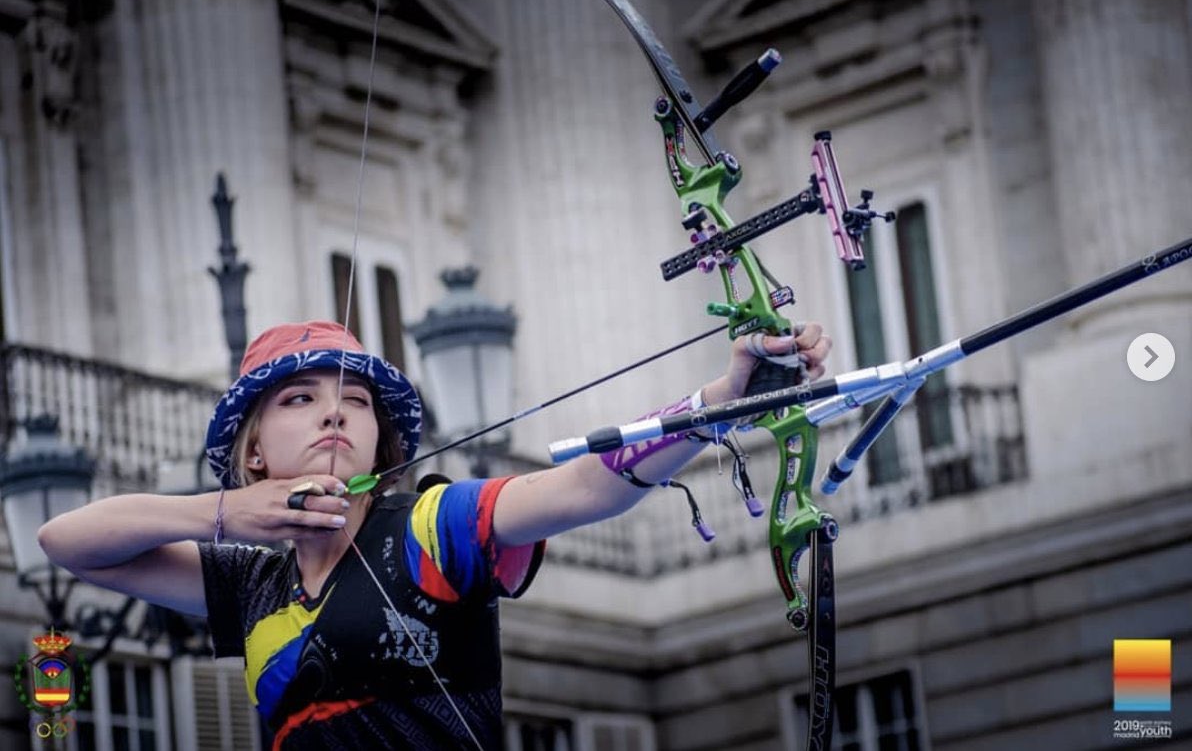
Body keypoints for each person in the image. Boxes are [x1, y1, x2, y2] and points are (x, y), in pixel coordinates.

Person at [38, 319, 831, 749]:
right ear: (253, 448)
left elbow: (584, 487)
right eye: (299, 399)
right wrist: (223, 516)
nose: (332, 411)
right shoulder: (249, 585)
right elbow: (66, 542)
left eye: (353, 400)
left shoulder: (428, 524)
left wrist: (722, 399)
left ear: (382, 442)